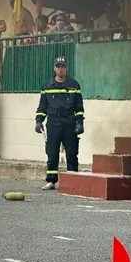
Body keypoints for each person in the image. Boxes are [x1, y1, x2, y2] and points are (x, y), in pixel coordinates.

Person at [35, 56, 84, 190]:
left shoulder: (74, 85)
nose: (60, 69)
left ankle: (73, 180)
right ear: (54, 68)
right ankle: (51, 181)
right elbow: (42, 107)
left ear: (67, 68)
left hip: (69, 122)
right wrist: (39, 121)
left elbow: (79, 107)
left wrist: (80, 123)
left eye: (63, 66)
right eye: (58, 66)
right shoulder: (47, 86)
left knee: (72, 152)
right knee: (52, 152)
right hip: (53, 122)